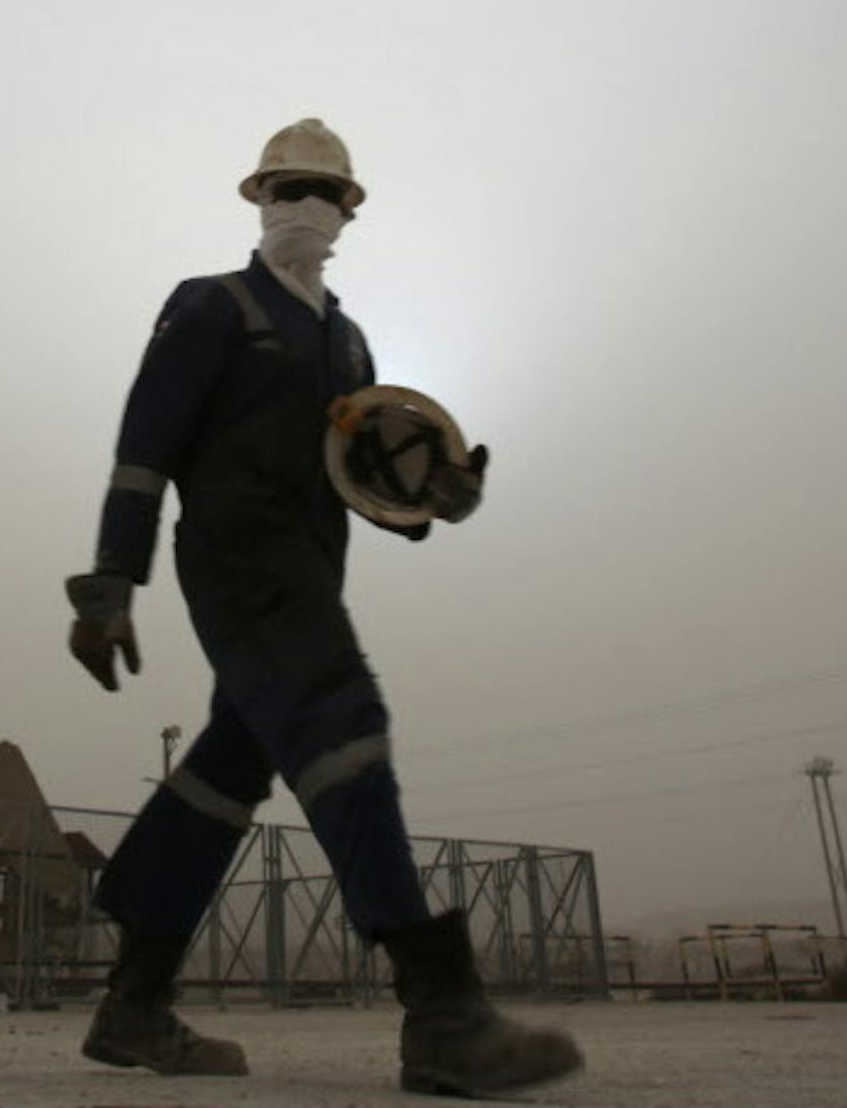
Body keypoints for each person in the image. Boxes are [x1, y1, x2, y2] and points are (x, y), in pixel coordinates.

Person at [65, 119, 583, 1097]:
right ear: (259, 200)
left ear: (349, 210)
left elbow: (370, 479)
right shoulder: (212, 305)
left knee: (228, 771)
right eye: (288, 189)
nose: (306, 207)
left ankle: (134, 1002)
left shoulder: (348, 341)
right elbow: (146, 447)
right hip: (235, 561)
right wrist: (109, 584)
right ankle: (441, 1010)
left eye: (325, 192)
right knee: (342, 723)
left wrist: (439, 494)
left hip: (309, 572)